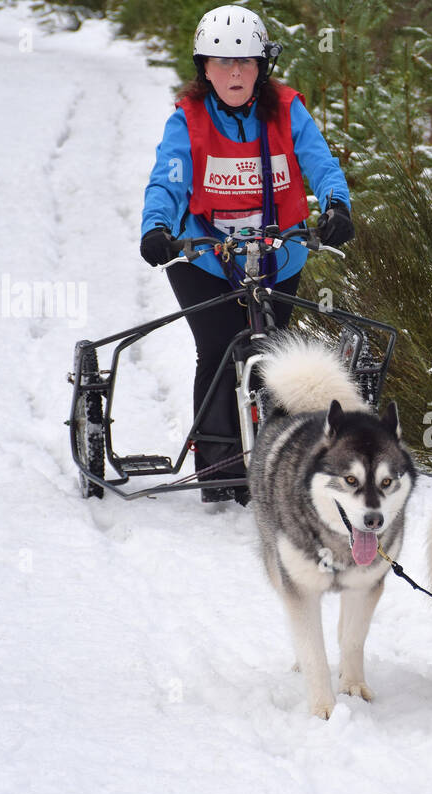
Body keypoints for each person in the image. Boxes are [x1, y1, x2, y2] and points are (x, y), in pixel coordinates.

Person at [139, 4, 354, 505]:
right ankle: (219, 472)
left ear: (262, 67)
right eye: (221, 63)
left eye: (245, 63)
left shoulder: (287, 109)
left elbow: (321, 163)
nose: (234, 74)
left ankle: (280, 466)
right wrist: (156, 228)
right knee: (217, 351)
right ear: (204, 69)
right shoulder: (187, 118)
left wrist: (337, 205)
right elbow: (168, 180)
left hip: (280, 251)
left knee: (276, 354)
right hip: (207, 256)